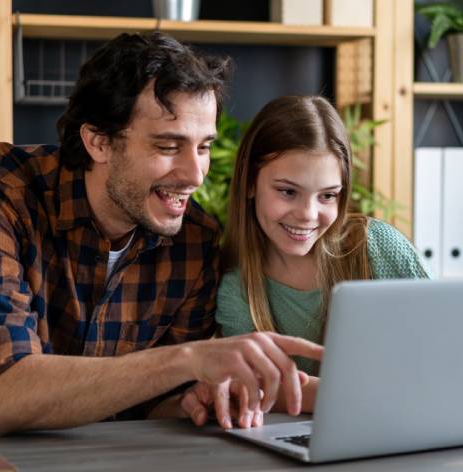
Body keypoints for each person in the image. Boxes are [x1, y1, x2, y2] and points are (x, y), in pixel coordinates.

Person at [0, 33, 322, 435]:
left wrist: (187, 398)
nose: (195, 175)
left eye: (203, 147)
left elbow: (151, 402)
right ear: (98, 142)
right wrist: (188, 359)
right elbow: (1, 395)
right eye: (168, 146)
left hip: (88, 439)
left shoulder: (194, 238)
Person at [178, 95, 428, 430]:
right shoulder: (237, 285)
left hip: (400, 428)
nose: (308, 215)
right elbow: (257, 390)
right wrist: (375, 393)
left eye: (327, 196)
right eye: (288, 192)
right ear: (251, 184)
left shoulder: (376, 248)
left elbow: (437, 349)